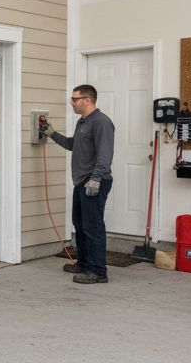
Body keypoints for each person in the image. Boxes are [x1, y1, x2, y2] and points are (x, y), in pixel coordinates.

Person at [41, 84, 115, 284]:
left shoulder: (101, 122)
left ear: (87, 100)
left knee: (93, 228)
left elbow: (105, 155)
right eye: (71, 99)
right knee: (80, 226)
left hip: (94, 182)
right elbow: (73, 145)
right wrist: (52, 133)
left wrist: (96, 179)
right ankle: (84, 263)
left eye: (75, 99)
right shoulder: (83, 122)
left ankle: (99, 272)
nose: (72, 103)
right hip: (82, 182)